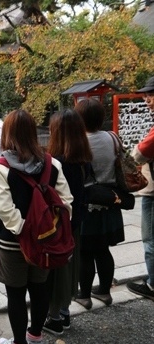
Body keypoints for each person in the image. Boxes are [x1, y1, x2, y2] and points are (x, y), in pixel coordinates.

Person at [0, 110, 72, 344]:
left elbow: (4, 208)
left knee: (15, 294)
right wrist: (46, 230)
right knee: (40, 289)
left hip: (12, 243)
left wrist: (23, 229)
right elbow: (67, 202)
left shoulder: (1, 167)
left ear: (7, 134)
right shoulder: (52, 164)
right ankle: (36, 336)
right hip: (45, 243)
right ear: (33, 132)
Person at [43, 109, 92, 335]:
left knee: (57, 271)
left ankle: (53, 318)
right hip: (77, 223)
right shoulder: (83, 160)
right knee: (71, 268)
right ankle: (64, 312)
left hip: (60, 226)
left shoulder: (56, 163)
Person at [74, 98, 124, 309]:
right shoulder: (113, 138)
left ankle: (84, 295)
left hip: (88, 204)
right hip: (111, 201)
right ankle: (104, 291)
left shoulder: (78, 142)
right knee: (103, 250)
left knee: (85, 252)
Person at [127, 76, 154, 299]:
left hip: (153, 192)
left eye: (151, 95)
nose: (147, 99)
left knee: (150, 239)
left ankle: (152, 284)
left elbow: (139, 154)